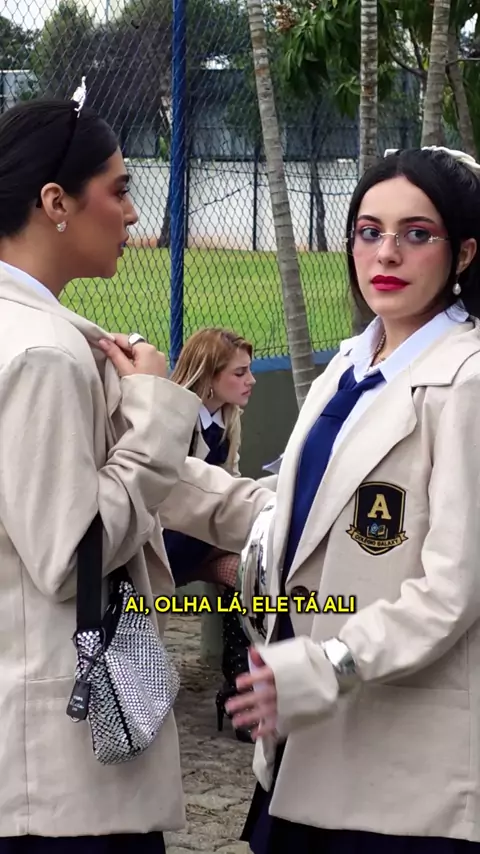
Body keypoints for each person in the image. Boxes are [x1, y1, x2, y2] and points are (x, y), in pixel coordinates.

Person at [0, 94, 273, 850]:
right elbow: (73, 552)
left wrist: (290, 509)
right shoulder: (42, 355)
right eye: (118, 189)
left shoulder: (45, 335)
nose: (132, 212)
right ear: (56, 202)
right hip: (58, 784)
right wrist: (155, 412)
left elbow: (152, 480)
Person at [212, 145, 480, 851]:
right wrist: (155, 458)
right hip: (306, 741)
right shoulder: (350, 365)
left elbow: (453, 590)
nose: (386, 253)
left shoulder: (467, 383)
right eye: (369, 231)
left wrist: (332, 662)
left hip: (402, 772)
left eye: (417, 233)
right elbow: (293, 510)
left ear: (464, 252)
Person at [163, 327, 256, 741]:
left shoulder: (228, 419)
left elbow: (229, 483)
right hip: (164, 544)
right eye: (239, 373)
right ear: (208, 376)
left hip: (201, 541)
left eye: (249, 371)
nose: (250, 380)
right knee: (252, 555)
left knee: (248, 574)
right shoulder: (173, 418)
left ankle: (241, 694)